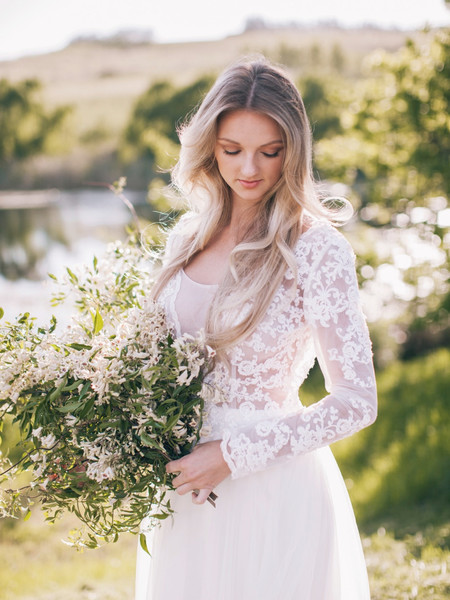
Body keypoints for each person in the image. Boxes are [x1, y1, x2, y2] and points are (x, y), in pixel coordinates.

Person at [135, 56, 377, 600]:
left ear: (294, 151)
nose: (250, 169)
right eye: (232, 150)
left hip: (271, 492)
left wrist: (230, 455)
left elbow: (358, 401)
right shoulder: (186, 240)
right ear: (208, 148)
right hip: (182, 491)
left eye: (270, 152)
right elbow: (149, 366)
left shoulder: (315, 249)